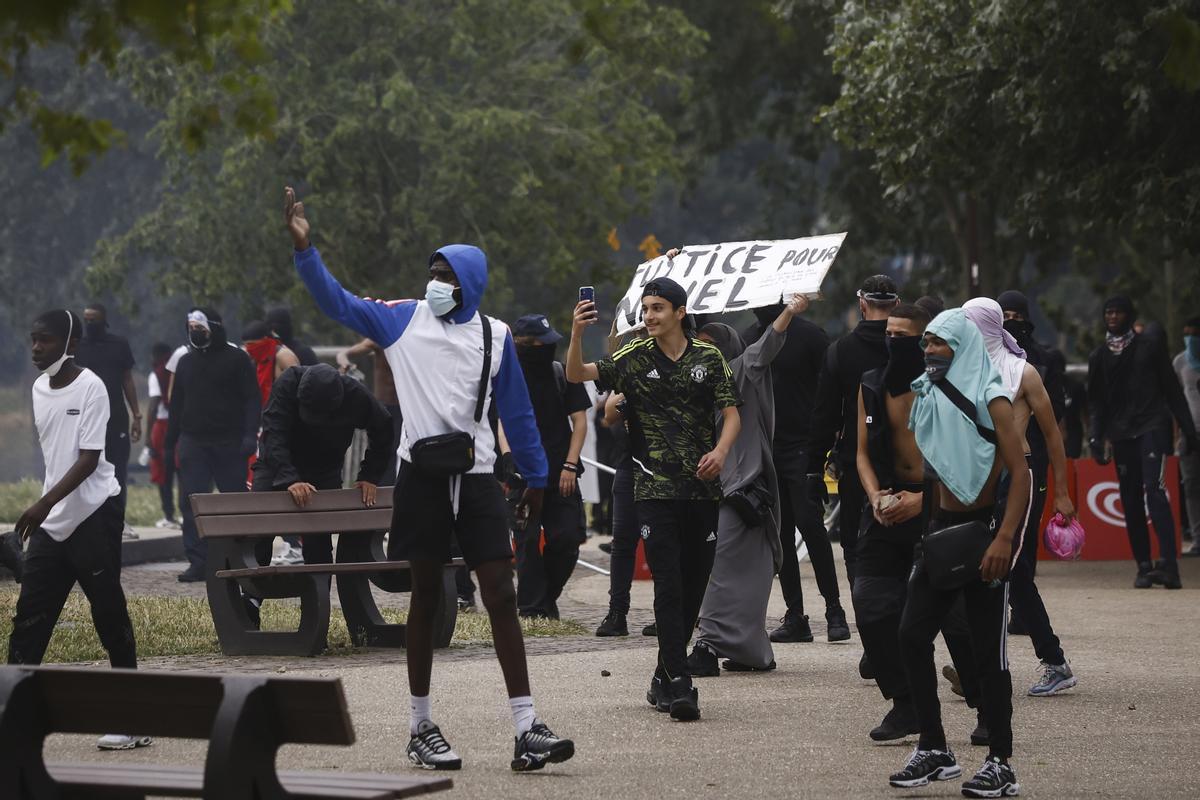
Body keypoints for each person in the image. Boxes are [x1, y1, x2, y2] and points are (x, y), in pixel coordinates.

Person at [285, 186, 574, 772]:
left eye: (444, 274)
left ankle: (526, 728)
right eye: (431, 272)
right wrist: (305, 251)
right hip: (420, 476)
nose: (434, 282)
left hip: (477, 478)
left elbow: (515, 412)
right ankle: (420, 726)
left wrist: (538, 478)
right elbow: (337, 303)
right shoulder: (402, 320)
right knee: (423, 598)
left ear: (468, 282)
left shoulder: (494, 336)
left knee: (501, 593)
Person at [567, 276, 741, 722]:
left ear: (680, 312)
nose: (649, 317)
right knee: (667, 582)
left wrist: (720, 452)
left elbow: (731, 413)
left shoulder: (709, 356)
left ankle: (664, 674)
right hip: (654, 487)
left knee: (693, 583)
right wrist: (576, 333)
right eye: (646, 309)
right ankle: (681, 681)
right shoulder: (632, 357)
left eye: (658, 308)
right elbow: (577, 374)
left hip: (701, 490)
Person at [889, 309, 1029, 797]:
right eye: (925, 342)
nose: (928, 349)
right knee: (910, 635)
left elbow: (1022, 475)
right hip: (942, 532)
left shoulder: (993, 398)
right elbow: (930, 470)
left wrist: (1005, 539)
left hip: (985, 533)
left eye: (939, 343)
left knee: (989, 654)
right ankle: (934, 748)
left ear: (963, 345)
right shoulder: (929, 393)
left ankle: (1001, 762)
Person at [10, 309, 149, 751]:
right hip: (54, 522)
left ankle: (132, 720)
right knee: (30, 619)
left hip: (93, 512)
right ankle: (12, 715)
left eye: (45, 341)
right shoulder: (36, 388)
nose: (36, 348)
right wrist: (49, 506)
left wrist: (42, 503)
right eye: (33, 340)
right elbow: (53, 455)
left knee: (108, 614)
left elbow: (89, 458)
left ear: (70, 344)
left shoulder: (92, 387)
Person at [963, 297, 1079, 698]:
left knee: (1010, 571)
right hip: (977, 478)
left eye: (971, 326)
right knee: (971, 569)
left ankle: (1054, 662)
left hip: (1018, 478)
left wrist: (1061, 492)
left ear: (990, 329)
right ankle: (978, 665)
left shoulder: (1022, 372)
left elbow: (1052, 436)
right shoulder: (962, 371)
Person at [688, 295, 808, 676]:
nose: (702, 353)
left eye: (710, 346)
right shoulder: (693, 383)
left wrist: (790, 310)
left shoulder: (741, 369)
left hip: (742, 487)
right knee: (716, 570)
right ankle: (749, 651)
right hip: (708, 487)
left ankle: (708, 645)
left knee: (730, 571)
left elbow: (768, 345)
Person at [245, 364, 394, 625]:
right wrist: (290, 479)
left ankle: (316, 612)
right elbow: (274, 434)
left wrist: (370, 475)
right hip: (278, 464)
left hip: (324, 469)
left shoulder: (355, 395)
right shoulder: (288, 383)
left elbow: (383, 426)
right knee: (260, 529)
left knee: (319, 542)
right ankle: (250, 601)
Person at [742, 297, 847, 646]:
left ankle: (834, 611)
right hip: (766, 448)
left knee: (811, 526)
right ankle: (795, 615)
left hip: (803, 444)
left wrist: (832, 434)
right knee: (781, 534)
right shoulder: (750, 337)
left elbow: (833, 384)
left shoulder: (810, 336)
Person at [852, 302, 931, 742]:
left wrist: (922, 500)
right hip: (884, 505)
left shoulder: (943, 389)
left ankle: (983, 701)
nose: (893, 342)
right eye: (889, 333)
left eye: (904, 336)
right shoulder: (870, 385)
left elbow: (970, 463)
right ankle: (905, 704)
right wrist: (875, 495)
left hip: (936, 506)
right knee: (871, 605)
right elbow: (862, 453)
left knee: (952, 618)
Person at [1087, 296, 1198, 588]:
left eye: (1118, 312)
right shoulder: (1099, 356)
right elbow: (1096, 402)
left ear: (1129, 315)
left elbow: (1172, 390)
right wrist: (1096, 437)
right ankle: (1144, 567)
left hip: (1152, 426)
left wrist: (1188, 430)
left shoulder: (1149, 348)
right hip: (1121, 433)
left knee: (1155, 492)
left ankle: (1170, 567)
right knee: (1130, 499)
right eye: (1108, 312)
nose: (1112, 317)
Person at [810, 275, 898, 590]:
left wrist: (813, 471)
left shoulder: (840, 351)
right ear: (897, 304)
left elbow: (825, 418)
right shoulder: (913, 349)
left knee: (855, 548)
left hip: (856, 463)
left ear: (862, 304)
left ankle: (868, 611)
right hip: (907, 465)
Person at [165, 308, 261, 582]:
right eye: (191, 328)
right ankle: (199, 561)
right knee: (191, 502)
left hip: (230, 442)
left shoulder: (237, 359)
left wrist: (249, 435)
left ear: (215, 329)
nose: (196, 333)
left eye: (201, 329)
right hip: (193, 442)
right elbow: (176, 407)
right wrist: (168, 444)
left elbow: (252, 400)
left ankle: (237, 557)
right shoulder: (185, 363)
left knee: (233, 501)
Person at [511, 314, 590, 619]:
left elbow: (580, 421)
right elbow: (501, 421)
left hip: (562, 472)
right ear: (522, 345)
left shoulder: (561, 372)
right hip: (522, 474)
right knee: (526, 542)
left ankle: (544, 597)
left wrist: (570, 465)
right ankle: (533, 609)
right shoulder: (509, 376)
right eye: (539, 344)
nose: (546, 348)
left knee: (567, 539)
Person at [73, 302, 141, 534]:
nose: (90, 323)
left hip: (115, 419)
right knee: (84, 469)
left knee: (116, 469)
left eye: (94, 319)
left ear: (104, 321)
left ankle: (118, 520)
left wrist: (137, 415)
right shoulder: (77, 346)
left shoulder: (118, 344)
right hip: (84, 420)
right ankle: (87, 520)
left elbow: (127, 380)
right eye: (86, 319)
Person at [594, 387, 640, 636]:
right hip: (628, 465)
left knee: (664, 545)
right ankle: (617, 612)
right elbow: (610, 412)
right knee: (622, 543)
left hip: (664, 464)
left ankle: (669, 613)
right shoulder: (630, 363)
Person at [338, 336, 404, 484]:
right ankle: (379, 492)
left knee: (400, 454)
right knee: (383, 451)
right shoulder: (380, 338)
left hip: (405, 408)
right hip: (384, 407)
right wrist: (345, 363)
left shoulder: (411, 338)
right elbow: (343, 354)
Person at [145, 342, 178, 528]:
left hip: (162, 427)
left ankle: (169, 515)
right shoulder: (178, 371)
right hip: (181, 426)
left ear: (156, 356)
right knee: (182, 472)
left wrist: (148, 437)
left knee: (162, 474)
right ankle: (188, 514)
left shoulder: (155, 374)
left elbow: (153, 405)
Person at [1174, 317, 1200, 556]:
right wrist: (1176, 437)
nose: (1191, 338)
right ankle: (1197, 538)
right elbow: (1174, 402)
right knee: (1191, 486)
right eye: (1187, 333)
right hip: (1189, 434)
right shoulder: (1180, 362)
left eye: (1195, 333)